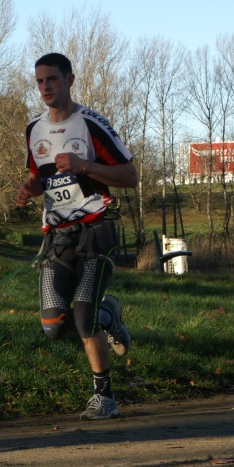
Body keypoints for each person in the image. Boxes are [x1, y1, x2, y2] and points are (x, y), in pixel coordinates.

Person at [17, 53, 138, 420]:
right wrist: (30, 189)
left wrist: (85, 165)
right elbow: (42, 179)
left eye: (52, 79)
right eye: (39, 81)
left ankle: (105, 398)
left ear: (70, 80)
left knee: (83, 319)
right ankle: (109, 312)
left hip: (97, 230)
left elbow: (131, 176)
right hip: (58, 237)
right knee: (53, 326)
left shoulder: (91, 124)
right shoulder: (33, 129)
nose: (45, 88)